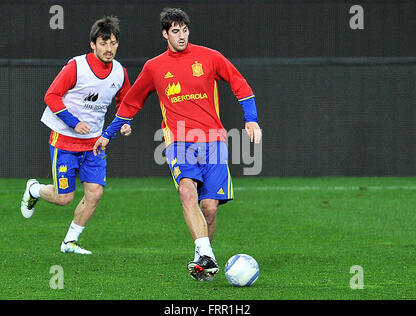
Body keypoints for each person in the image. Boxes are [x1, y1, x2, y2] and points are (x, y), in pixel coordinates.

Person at [93, 8, 262, 280]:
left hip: (214, 140)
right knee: (186, 191)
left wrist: (251, 119)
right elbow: (132, 102)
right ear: (165, 34)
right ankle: (206, 254)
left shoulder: (210, 57)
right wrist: (108, 133)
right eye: (175, 31)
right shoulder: (154, 67)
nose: (181, 36)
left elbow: (238, 82)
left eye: (184, 30)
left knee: (209, 207)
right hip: (178, 138)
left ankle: (203, 258)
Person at [20, 16, 132, 255]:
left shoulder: (120, 72)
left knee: (95, 193)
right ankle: (34, 190)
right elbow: (51, 96)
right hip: (65, 141)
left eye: (113, 43)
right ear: (93, 44)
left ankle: (69, 241)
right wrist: (74, 122)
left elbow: (126, 101)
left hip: (95, 143)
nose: (109, 48)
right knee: (64, 198)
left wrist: (124, 122)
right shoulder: (76, 66)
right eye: (103, 43)